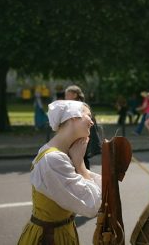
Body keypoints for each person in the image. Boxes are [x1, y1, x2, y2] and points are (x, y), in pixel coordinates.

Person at [18, 100, 102, 245]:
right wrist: (80, 164)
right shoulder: (53, 159)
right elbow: (92, 205)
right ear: (73, 117)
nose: (92, 122)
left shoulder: (59, 154)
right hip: (49, 238)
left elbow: (100, 187)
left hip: (60, 233)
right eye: (88, 116)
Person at [65, 85, 101, 169]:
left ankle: (84, 179)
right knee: (80, 160)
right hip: (80, 136)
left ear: (74, 95)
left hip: (81, 137)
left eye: (67, 95)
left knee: (81, 161)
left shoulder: (79, 106)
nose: (65, 97)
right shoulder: (78, 105)